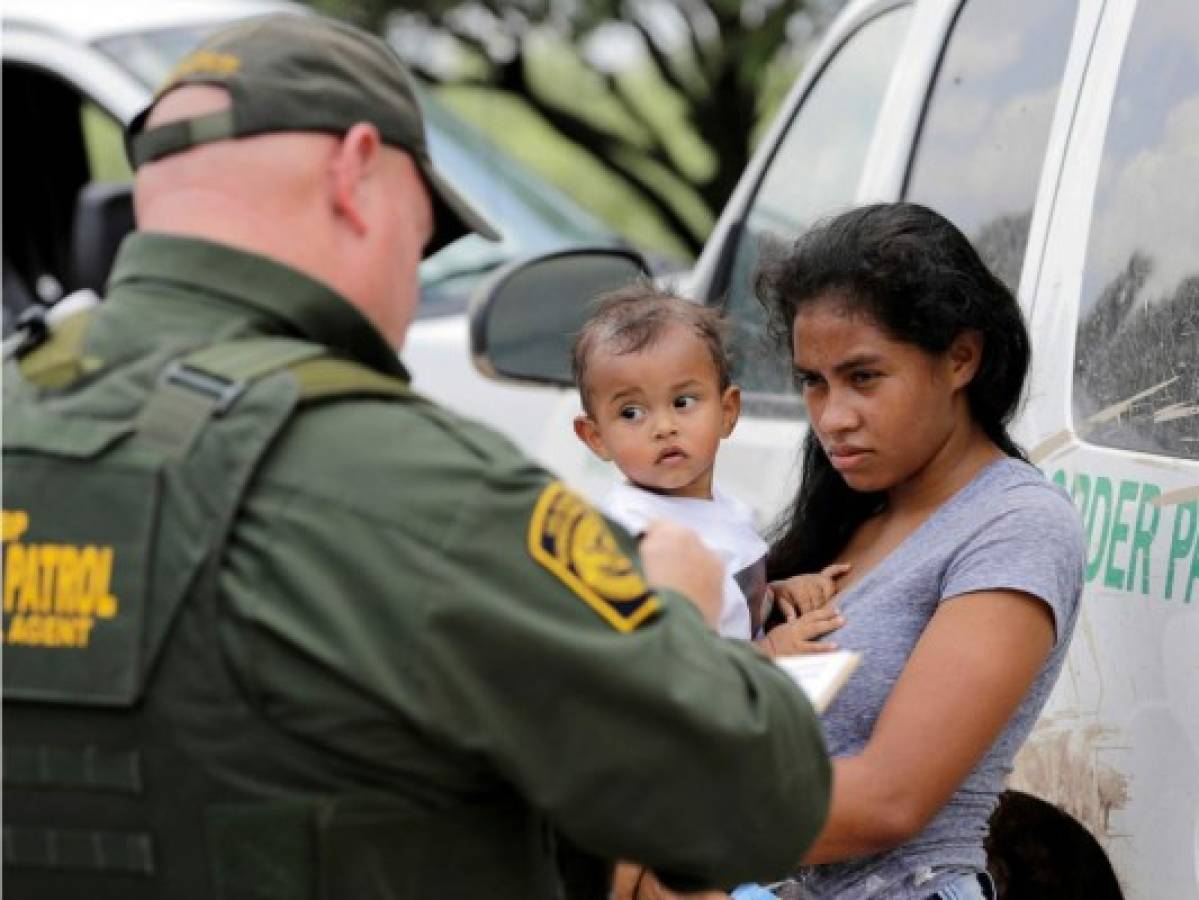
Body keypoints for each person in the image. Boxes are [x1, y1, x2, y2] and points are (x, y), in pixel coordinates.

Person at [1, 14, 833, 900]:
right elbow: (760, 796)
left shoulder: (20, 415)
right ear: (358, 172)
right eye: (422, 233)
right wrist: (679, 610)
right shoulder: (408, 479)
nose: (409, 285)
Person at [752, 203, 1086, 899]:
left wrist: (648, 823)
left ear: (960, 357)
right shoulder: (846, 513)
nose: (831, 418)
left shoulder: (1014, 525)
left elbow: (888, 799)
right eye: (812, 381)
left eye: (863, 377)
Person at [570, 283, 848, 653]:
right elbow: (677, 661)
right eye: (631, 412)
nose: (664, 427)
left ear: (727, 411)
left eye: (683, 402)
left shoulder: (720, 508)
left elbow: (727, 604)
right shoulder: (637, 538)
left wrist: (777, 593)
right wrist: (770, 651)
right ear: (596, 437)